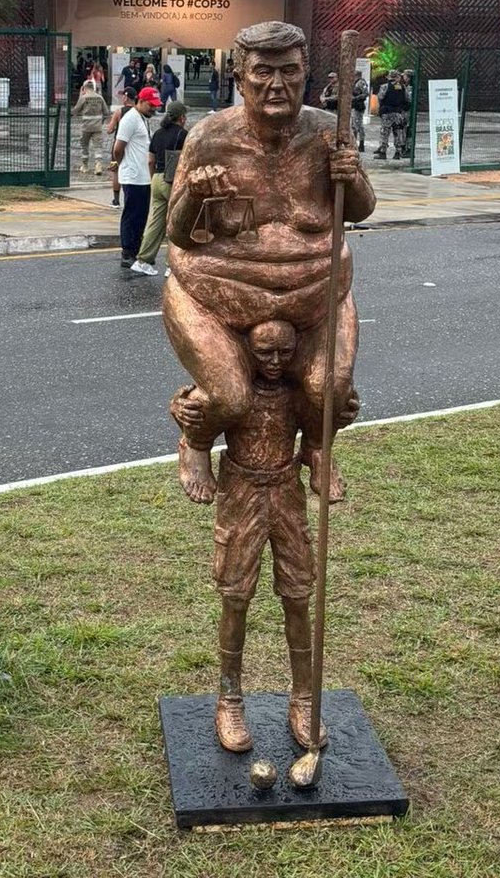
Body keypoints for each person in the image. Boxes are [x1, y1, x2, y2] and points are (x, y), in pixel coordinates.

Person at [162, 19, 375, 506]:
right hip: (218, 297)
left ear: (304, 74)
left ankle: (318, 447)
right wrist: (196, 194)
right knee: (227, 397)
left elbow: (360, 209)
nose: (277, 84)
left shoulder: (328, 132)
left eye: (289, 71)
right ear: (240, 79)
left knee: (331, 391)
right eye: (263, 72)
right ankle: (195, 441)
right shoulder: (209, 138)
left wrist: (351, 175)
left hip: (316, 297)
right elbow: (177, 232)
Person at [170, 320, 327, 752]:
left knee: (298, 595)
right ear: (247, 351)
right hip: (241, 495)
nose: (274, 362)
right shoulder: (231, 394)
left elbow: (320, 433)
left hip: (286, 494)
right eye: (264, 353)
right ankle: (230, 699)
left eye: (284, 353)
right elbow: (193, 417)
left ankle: (304, 698)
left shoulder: (297, 393)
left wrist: (330, 445)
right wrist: (181, 410)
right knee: (236, 598)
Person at [130, 101, 188, 277]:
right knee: (176, 224)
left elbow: (150, 160)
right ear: (182, 117)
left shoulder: (158, 133)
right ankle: (171, 265)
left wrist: (154, 177)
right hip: (173, 182)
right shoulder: (183, 134)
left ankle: (142, 261)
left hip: (156, 178)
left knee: (156, 222)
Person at [111, 84, 161, 267]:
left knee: (141, 216)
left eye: (155, 106)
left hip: (143, 175)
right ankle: (127, 252)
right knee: (131, 215)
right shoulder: (130, 119)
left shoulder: (142, 118)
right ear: (141, 101)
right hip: (132, 175)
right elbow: (118, 149)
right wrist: (123, 164)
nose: (153, 109)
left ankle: (136, 249)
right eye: (151, 105)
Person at [106, 86, 138, 207]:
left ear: (125, 97)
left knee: (116, 170)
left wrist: (114, 125)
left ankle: (116, 200)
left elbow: (109, 130)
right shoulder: (138, 112)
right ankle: (129, 198)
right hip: (133, 145)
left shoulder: (119, 112)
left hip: (119, 144)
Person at [71, 78, 109, 176]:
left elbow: (75, 111)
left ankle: (85, 166)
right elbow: (106, 112)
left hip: (86, 127)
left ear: (84, 88)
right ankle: (98, 165)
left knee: (84, 146)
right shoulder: (100, 98)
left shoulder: (83, 98)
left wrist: (80, 95)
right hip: (97, 127)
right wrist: (101, 122)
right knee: (98, 146)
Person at [373, 71, 409, 159]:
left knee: (385, 133)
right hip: (398, 113)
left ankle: (383, 152)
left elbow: (380, 97)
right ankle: (397, 152)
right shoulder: (402, 87)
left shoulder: (384, 86)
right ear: (397, 77)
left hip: (387, 113)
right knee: (398, 132)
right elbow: (407, 99)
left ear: (389, 77)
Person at [351, 69, 369, 153]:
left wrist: (355, 98)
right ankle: (353, 143)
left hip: (358, 105)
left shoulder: (361, 82)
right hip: (354, 105)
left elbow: (366, 93)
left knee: (359, 125)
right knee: (353, 126)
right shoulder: (355, 82)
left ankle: (361, 144)